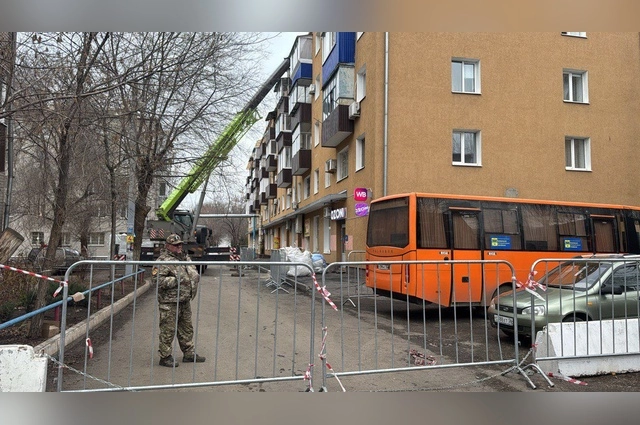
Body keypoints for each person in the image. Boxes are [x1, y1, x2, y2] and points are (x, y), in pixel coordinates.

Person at [152, 233, 206, 367]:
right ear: (168, 246)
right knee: (168, 330)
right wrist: (177, 280)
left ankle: (189, 353)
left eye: (180, 244)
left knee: (186, 329)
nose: (179, 247)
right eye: (176, 245)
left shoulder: (184, 258)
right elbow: (157, 280)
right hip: (169, 302)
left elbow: (192, 272)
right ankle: (165, 357)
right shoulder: (163, 261)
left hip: (184, 300)